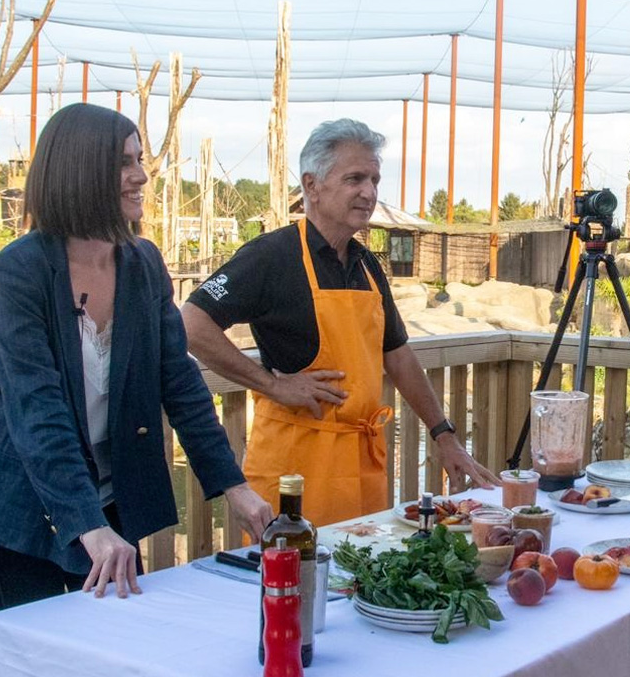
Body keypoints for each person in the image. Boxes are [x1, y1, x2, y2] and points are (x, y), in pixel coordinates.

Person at [0, 103, 272, 612]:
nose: (141, 175)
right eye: (125, 162)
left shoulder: (142, 263)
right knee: (40, 655)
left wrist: (235, 486)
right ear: (81, 169)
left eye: (140, 159)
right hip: (20, 504)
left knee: (117, 636)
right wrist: (88, 527)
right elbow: (38, 409)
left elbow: (180, 383)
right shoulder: (20, 270)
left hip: (107, 496)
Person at [181, 118, 499, 528]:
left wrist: (445, 436)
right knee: (292, 583)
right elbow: (191, 322)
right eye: (355, 179)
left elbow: (397, 354)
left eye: (374, 179)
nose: (369, 192)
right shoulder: (271, 257)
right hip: (294, 471)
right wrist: (274, 384)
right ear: (312, 185)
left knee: (360, 574)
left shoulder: (366, 264)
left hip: (362, 463)